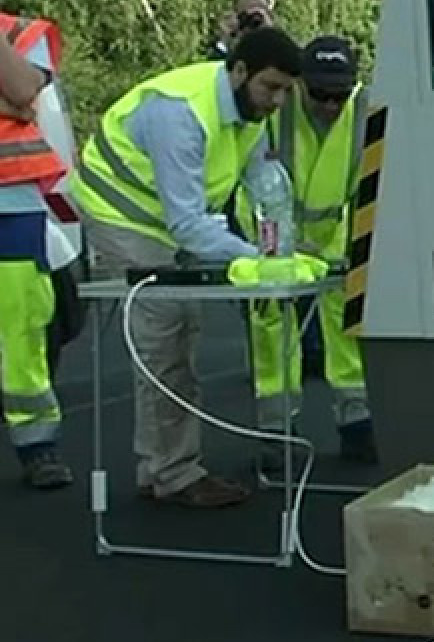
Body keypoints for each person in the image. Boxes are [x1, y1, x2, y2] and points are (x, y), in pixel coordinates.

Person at [70, 27, 302, 508]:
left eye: (284, 90)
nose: (278, 101)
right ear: (239, 72)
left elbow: (264, 187)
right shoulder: (180, 113)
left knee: (182, 329)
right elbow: (188, 225)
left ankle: (165, 467)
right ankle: (172, 474)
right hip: (124, 213)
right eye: (271, 87)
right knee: (168, 328)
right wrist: (257, 262)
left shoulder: (250, 110)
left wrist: (283, 249)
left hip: (167, 220)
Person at [236, 36, 377, 468]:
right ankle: (276, 431)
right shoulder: (274, 111)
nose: (330, 105)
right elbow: (246, 183)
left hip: (342, 241)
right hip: (276, 240)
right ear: (300, 85)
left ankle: (357, 423)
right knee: (271, 329)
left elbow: (374, 186)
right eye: (320, 95)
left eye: (340, 95)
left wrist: (359, 249)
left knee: (349, 331)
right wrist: (270, 243)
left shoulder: (369, 112)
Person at [0, 0, 76, 489]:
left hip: (12, 199)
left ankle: (37, 444)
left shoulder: (22, 34)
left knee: (23, 323)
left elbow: (26, 89)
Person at [207, 0, 274, 61]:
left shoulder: (281, 51)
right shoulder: (226, 52)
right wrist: (224, 42)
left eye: (259, 15)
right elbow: (215, 66)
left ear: (269, 17)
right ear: (235, 17)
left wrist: (271, 34)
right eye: (245, 16)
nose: (254, 19)